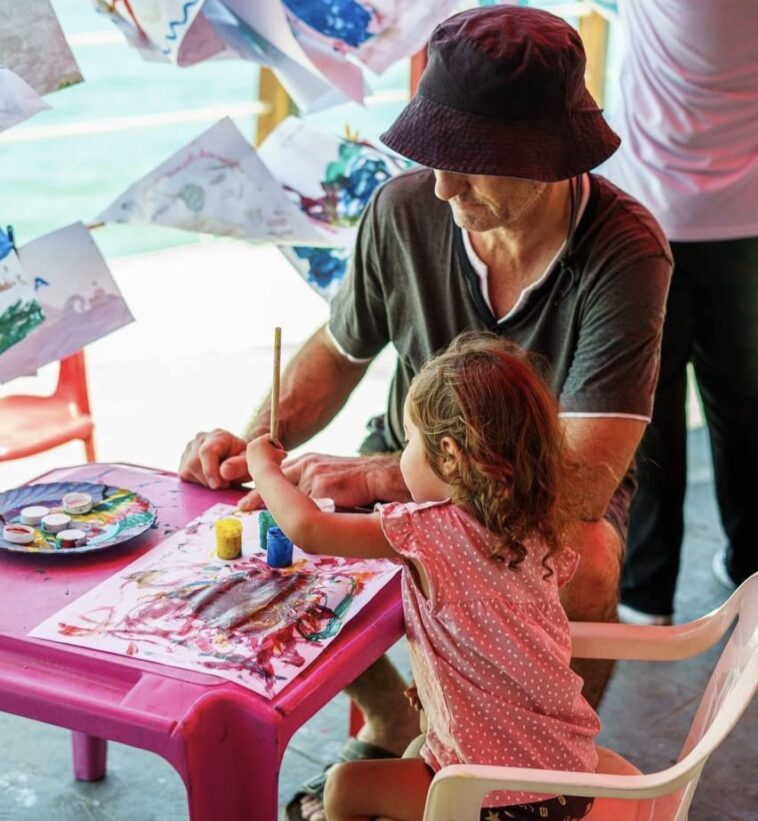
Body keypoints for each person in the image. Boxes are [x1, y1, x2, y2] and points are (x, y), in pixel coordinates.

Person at [179, 6, 672, 820]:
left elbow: (579, 486)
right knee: (279, 520)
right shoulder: (407, 207)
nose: (444, 187)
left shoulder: (626, 250)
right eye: (436, 159)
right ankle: (392, 714)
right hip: (408, 456)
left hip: (539, 488)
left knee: (583, 560)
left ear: (549, 158)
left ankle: (546, 764)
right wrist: (254, 439)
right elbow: (336, 354)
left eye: (472, 164)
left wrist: (379, 477)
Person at [248, 332, 600, 821]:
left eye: (409, 439)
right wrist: (439, 684)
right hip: (566, 775)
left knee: (343, 788)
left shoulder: (431, 531)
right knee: (415, 751)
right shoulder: (531, 526)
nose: (404, 451)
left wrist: (264, 468)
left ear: (451, 454)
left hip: (504, 799)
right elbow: (496, 642)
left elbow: (309, 528)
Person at [602, 0, 758, 625]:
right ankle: (750, 566)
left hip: (645, 218)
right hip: (747, 220)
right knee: (745, 408)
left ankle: (646, 591)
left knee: (646, 411)